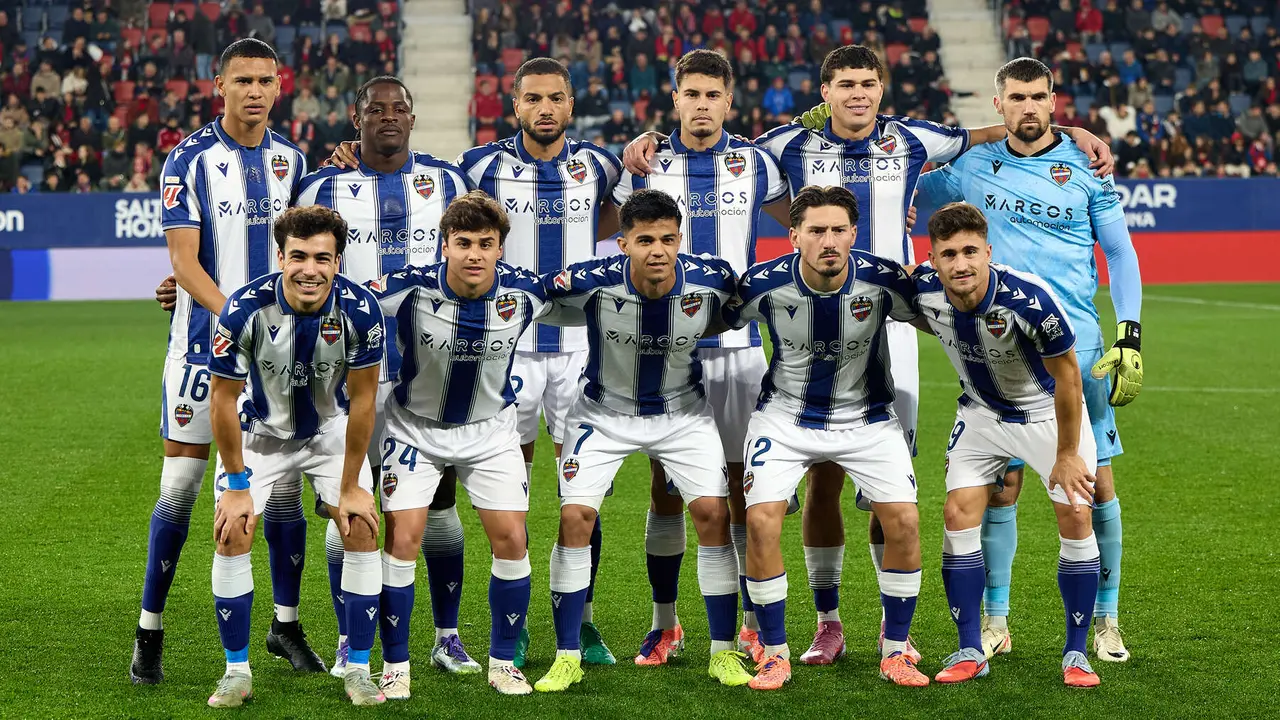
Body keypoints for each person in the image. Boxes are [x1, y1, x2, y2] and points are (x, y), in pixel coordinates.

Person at [623, 44, 1111, 665]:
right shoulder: (786, 148)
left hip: (893, 324)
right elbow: (728, 154)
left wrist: (1068, 128)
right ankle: (827, 622)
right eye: (844, 84)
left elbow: (992, 129)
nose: (858, 94)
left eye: (868, 83)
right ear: (824, 92)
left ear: (882, 89)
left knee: (889, 493)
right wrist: (648, 138)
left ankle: (893, 635)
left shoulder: (911, 140)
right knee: (819, 479)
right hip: (809, 322)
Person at [914, 57, 1142, 663]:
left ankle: (1107, 619)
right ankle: (995, 619)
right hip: (997, 348)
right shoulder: (970, 165)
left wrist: (1131, 334)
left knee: (1092, 486)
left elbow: (1120, 255)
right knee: (1000, 488)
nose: (1029, 108)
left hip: (1079, 349)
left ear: (1054, 100)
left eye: (1039, 97)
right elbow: (905, 187)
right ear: (999, 106)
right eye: (1017, 98)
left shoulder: (1086, 168)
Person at [132, 38, 316, 686]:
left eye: (265, 80)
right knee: (179, 493)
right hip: (198, 354)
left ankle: (285, 625)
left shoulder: (296, 162)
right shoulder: (188, 159)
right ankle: (149, 630)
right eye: (243, 80)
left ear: (280, 84)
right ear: (220, 84)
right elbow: (184, 262)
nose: (255, 91)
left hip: (277, 361)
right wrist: (242, 318)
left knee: (284, 492)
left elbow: (311, 252)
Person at [296, 75, 479, 688]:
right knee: (347, 503)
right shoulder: (323, 184)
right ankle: (352, 639)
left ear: (412, 115)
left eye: (399, 108)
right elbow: (291, 257)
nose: (389, 118)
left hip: (430, 370)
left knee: (440, 503)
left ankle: (446, 637)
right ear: (356, 115)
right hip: (342, 375)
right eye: (376, 109)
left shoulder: (448, 182)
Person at [532, 189, 752, 692]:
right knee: (575, 517)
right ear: (623, 242)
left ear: (681, 239)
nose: (658, 250)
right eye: (645, 239)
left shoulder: (711, 277)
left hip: (683, 413)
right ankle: (567, 655)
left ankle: (723, 652)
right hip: (602, 413)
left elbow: (738, 312)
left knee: (713, 515)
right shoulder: (590, 281)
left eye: (668, 239)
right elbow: (535, 300)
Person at [611, 49, 788, 665]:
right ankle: (666, 624)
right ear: (676, 98)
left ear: (728, 101)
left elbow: (810, 212)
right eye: (693, 94)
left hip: (738, 351)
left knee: (740, 491)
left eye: (714, 95)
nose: (703, 105)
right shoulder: (644, 165)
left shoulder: (757, 163)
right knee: (666, 491)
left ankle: (743, 624)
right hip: (665, 352)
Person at [724, 185, 928, 691]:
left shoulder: (883, 281)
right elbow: (707, 312)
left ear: (854, 234)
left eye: (839, 230)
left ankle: (896, 649)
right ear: (794, 235)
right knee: (762, 521)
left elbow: (942, 315)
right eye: (816, 230)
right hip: (785, 419)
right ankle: (775, 652)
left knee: (903, 519)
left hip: (868, 418)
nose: (829, 241)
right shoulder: (763, 285)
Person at [455, 57, 623, 667]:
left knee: (584, 490)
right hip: (509, 349)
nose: (544, 108)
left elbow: (620, 218)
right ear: (515, 105)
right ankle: (518, 625)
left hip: (582, 348)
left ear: (570, 105)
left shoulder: (599, 164)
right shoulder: (480, 167)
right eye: (533, 99)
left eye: (555, 98)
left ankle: (580, 621)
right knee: (514, 492)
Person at [363, 190, 554, 696]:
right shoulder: (407, 289)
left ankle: (503, 663)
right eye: (463, 242)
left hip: (490, 431)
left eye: (485, 244)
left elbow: (592, 301)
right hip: (413, 430)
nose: (474, 254)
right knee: (403, 537)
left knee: (512, 539)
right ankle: (396, 666)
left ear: (500, 249)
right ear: (443, 245)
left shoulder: (526, 294)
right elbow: (337, 295)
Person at [910, 202, 1102, 689]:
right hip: (979, 415)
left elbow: (1069, 379)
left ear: (988, 252)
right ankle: (971, 647)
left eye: (971, 251)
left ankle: (1076, 654)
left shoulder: (1030, 299)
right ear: (934, 260)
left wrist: (1066, 454)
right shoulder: (924, 289)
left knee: (1078, 513)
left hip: (1045, 416)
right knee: (957, 515)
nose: (961, 264)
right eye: (949, 254)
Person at [205, 206, 386, 706]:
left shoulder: (361, 310)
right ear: (281, 256)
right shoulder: (243, 310)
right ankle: (235, 671)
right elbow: (222, 399)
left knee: (363, 526)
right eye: (299, 256)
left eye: (323, 258)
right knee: (232, 531)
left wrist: (350, 487)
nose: (311, 269)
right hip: (259, 435)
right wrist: (238, 486)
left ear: (338, 261)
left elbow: (364, 401)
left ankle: (359, 669)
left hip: (328, 432)